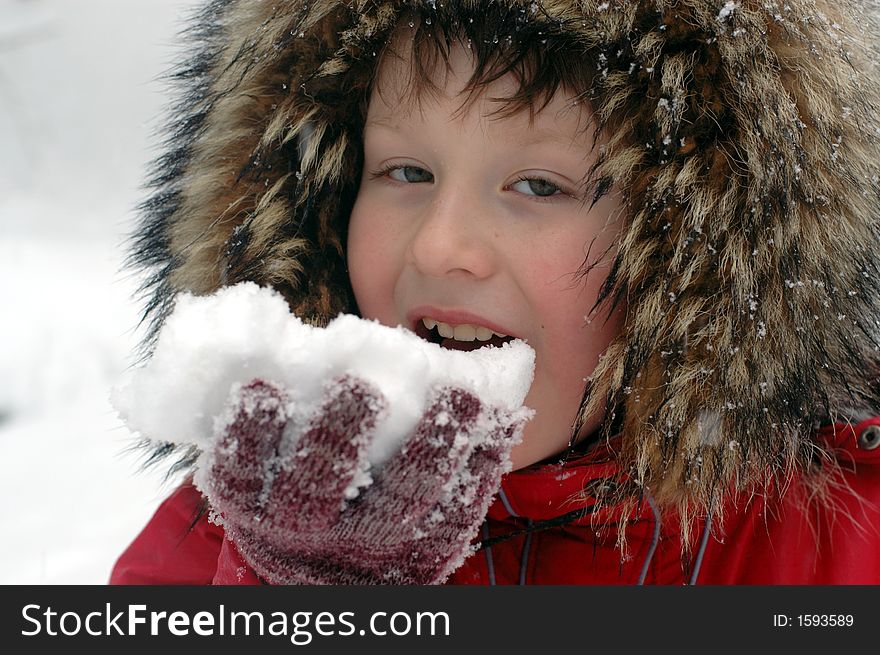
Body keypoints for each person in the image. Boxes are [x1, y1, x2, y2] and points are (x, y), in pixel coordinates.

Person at [111, 0, 880, 585]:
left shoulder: (836, 545)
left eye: (538, 185)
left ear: (693, 257)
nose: (442, 244)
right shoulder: (233, 529)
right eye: (406, 172)